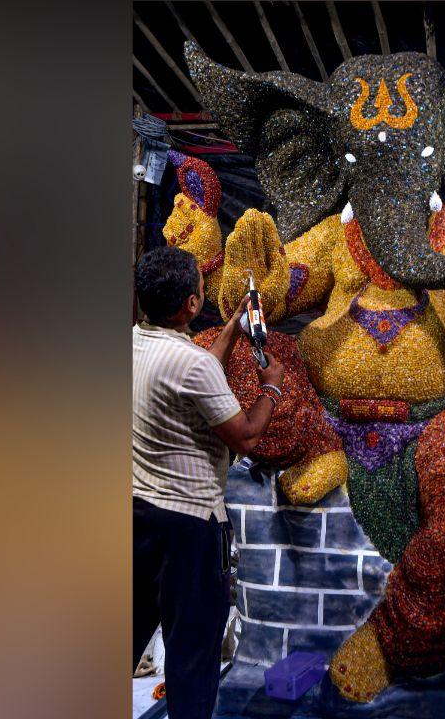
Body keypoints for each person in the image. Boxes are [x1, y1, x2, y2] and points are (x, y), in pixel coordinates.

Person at [132, 245, 284, 719]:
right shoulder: (194, 366)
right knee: (193, 655)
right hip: (190, 529)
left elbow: (193, 371)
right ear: (193, 306)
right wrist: (272, 388)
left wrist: (234, 331)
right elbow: (244, 436)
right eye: (200, 287)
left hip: (135, 517)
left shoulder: (135, 342)